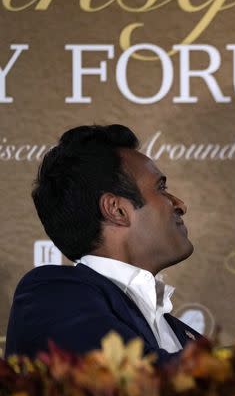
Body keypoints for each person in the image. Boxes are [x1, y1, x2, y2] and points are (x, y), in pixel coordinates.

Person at [5, 124, 202, 363]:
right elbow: (129, 379)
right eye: (161, 188)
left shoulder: (186, 337)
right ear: (116, 209)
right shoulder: (53, 295)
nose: (180, 204)